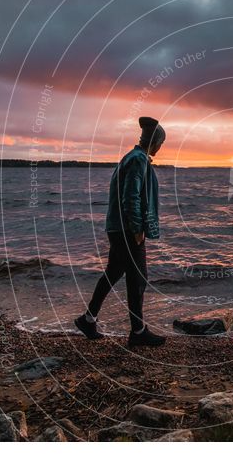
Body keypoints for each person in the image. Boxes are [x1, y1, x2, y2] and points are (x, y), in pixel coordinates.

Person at [74, 116, 167, 347]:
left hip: (117, 228)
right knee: (138, 278)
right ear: (154, 141)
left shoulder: (133, 157)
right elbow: (130, 197)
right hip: (126, 230)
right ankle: (138, 331)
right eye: (161, 142)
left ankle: (88, 319)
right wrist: (136, 228)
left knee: (114, 273)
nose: (160, 147)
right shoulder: (138, 161)